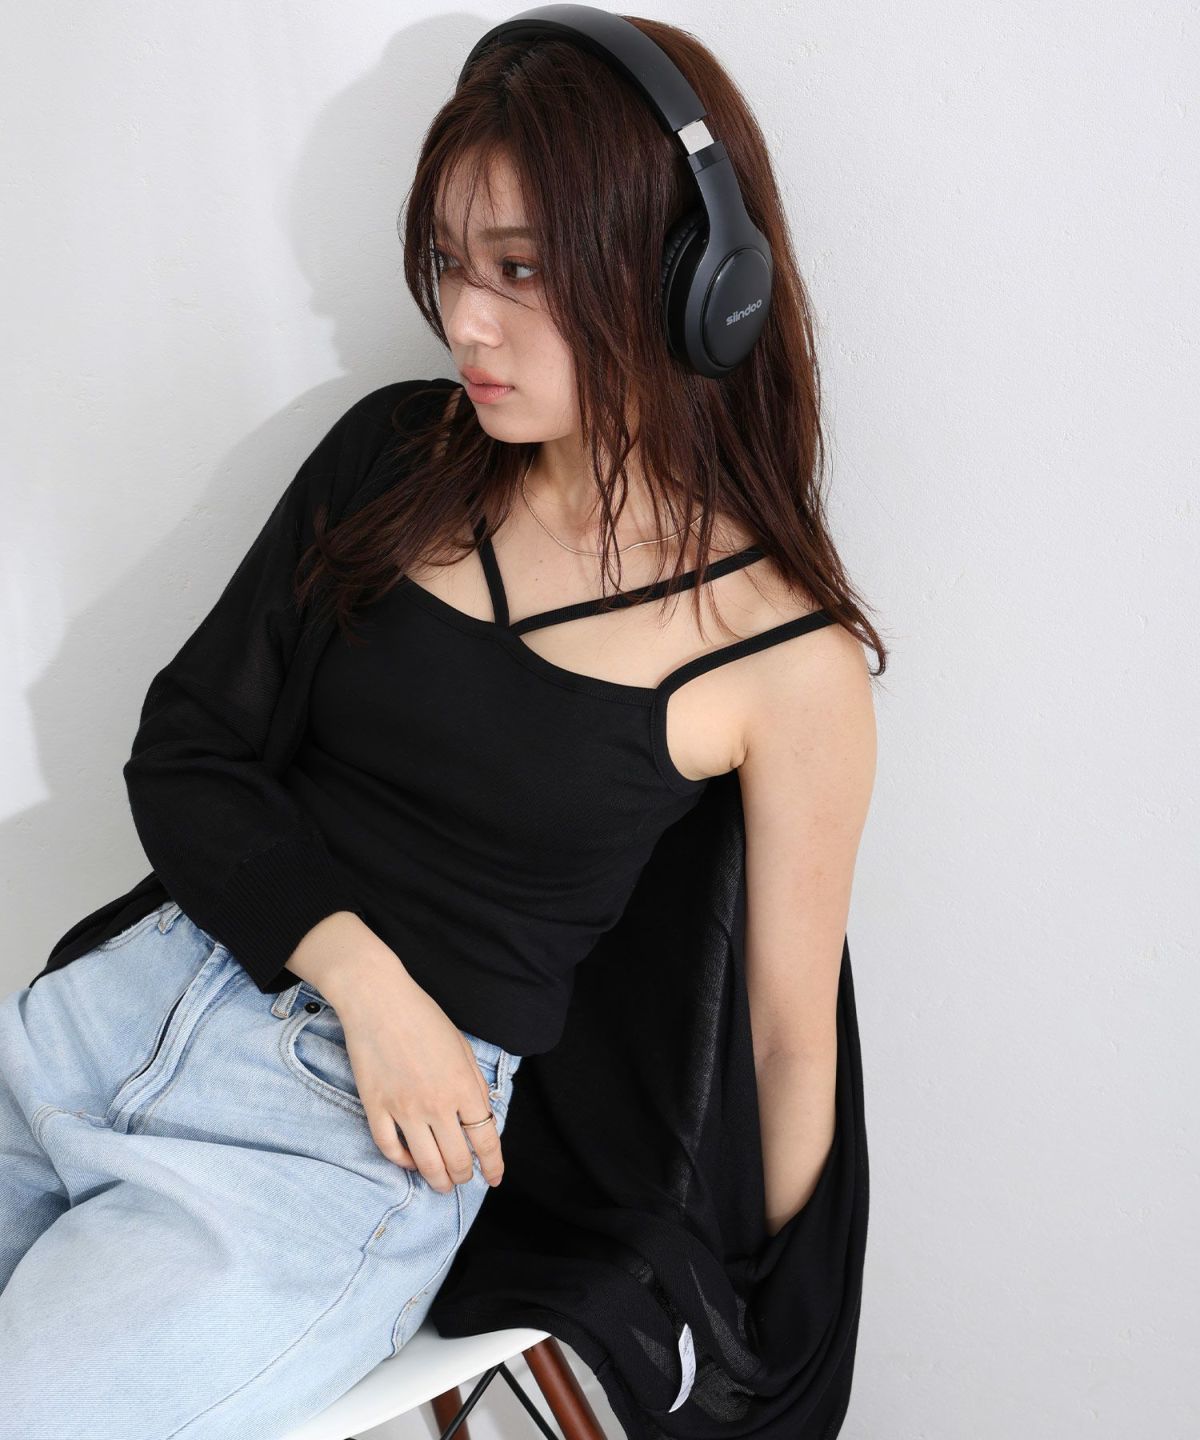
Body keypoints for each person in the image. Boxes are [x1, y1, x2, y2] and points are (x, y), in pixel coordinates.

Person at [0, 15, 883, 1437]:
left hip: (332, 1156)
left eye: (520, 270)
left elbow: (787, 1045)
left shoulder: (787, 663)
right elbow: (186, 750)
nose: (467, 321)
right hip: (110, 1017)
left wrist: (757, 1353)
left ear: (690, 283)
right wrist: (365, 976)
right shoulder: (395, 457)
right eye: (453, 264)